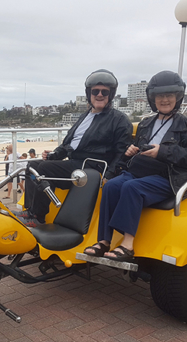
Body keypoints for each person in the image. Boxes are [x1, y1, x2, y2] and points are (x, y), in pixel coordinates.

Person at [84, 71, 187, 261]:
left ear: (177, 97)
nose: (164, 100)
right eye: (160, 96)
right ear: (153, 99)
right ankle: (104, 241)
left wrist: (163, 151)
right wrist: (130, 152)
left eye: (169, 96)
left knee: (131, 187)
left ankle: (127, 244)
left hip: (169, 177)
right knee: (110, 186)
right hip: (140, 172)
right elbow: (135, 152)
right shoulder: (146, 123)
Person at [16, 69, 133, 227]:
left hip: (91, 166)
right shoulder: (85, 116)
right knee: (32, 166)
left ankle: (38, 215)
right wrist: (55, 154)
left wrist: (110, 175)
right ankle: (30, 209)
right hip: (75, 163)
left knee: (43, 169)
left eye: (104, 92)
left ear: (111, 95)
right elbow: (68, 144)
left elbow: (121, 152)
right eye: (95, 91)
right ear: (89, 93)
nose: (99, 95)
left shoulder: (119, 120)